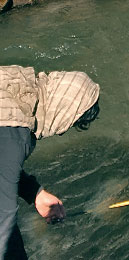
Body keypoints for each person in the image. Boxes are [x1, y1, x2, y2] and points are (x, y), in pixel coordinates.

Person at [0, 66, 100, 259]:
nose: (62, 131)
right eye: (69, 122)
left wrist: (34, 192)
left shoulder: (15, 87)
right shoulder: (15, 134)